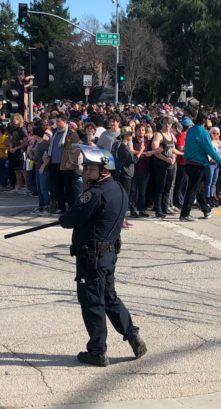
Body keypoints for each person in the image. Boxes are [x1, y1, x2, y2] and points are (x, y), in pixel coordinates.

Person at [57, 145, 147, 367]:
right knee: (109, 298)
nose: (87, 172)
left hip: (92, 259)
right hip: (107, 257)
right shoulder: (118, 189)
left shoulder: (94, 194)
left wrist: (64, 217)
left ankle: (97, 351)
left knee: (92, 303)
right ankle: (132, 335)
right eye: (87, 168)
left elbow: (71, 219)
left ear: (104, 170)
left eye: (92, 169)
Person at [180, 109, 221, 221]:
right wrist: (220, 161)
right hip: (197, 163)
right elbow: (209, 149)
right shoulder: (203, 132)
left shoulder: (191, 130)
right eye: (208, 119)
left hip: (188, 163)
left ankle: (206, 209)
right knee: (192, 189)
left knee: (199, 188)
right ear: (205, 120)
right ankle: (185, 214)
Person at [149, 116, 178, 218]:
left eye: (168, 123)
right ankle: (158, 210)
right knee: (160, 188)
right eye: (165, 123)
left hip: (170, 165)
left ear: (171, 124)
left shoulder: (171, 135)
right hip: (160, 165)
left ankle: (165, 208)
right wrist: (165, 159)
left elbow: (173, 149)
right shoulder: (158, 135)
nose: (167, 125)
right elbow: (155, 151)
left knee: (167, 187)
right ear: (162, 124)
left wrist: (173, 158)